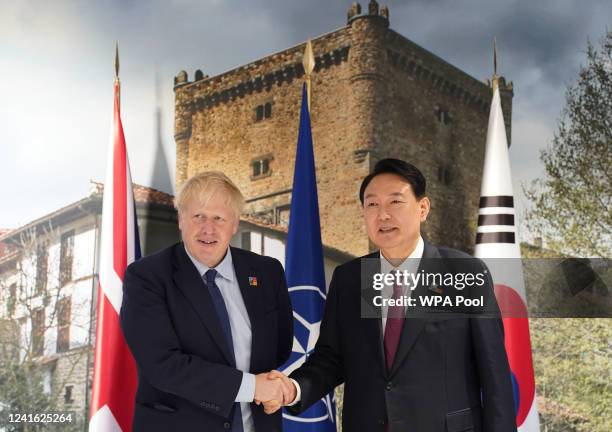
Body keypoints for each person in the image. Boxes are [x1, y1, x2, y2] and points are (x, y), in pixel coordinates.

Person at [264, 159, 516, 432]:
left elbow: (495, 376)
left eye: (395, 202)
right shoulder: (350, 279)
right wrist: (293, 388)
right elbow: (331, 359)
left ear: (423, 208)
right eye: (372, 204)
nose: (382, 215)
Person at [120, 171, 293, 432]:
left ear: (234, 224)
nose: (208, 229)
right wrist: (251, 387)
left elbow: (279, 348)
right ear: (181, 219)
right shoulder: (146, 277)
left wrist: (273, 388)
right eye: (198, 216)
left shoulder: (267, 272)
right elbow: (162, 365)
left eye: (219, 218)